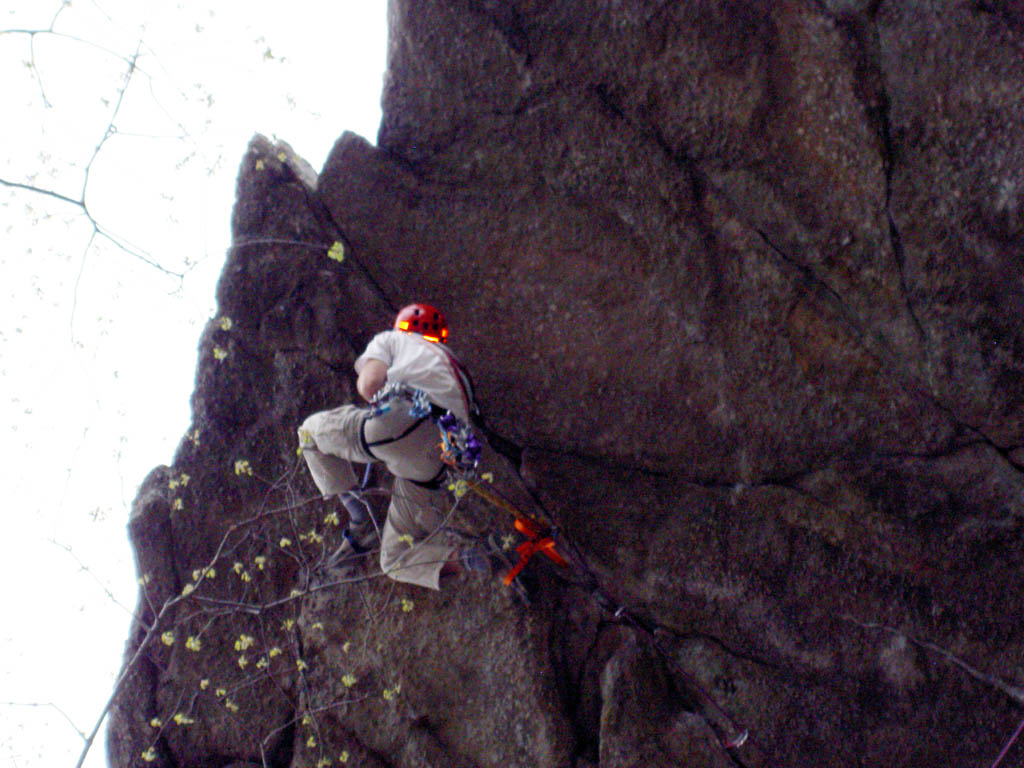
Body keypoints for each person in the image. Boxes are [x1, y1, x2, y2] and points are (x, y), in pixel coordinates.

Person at [297, 302, 490, 590]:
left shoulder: (393, 339)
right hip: (440, 460)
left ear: (403, 325)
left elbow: (369, 384)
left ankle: (360, 521)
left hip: (403, 423)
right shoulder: (459, 375)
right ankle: (471, 557)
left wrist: (374, 395)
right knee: (393, 560)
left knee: (309, 433)